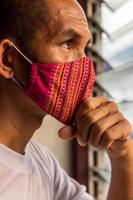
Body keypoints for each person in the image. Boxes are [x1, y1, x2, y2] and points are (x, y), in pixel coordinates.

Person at [0, 0, 133, 200]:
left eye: (85, 48)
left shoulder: (43, 165)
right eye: (67, 43)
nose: (86, 68)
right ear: (8, 59)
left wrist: (123, 155)